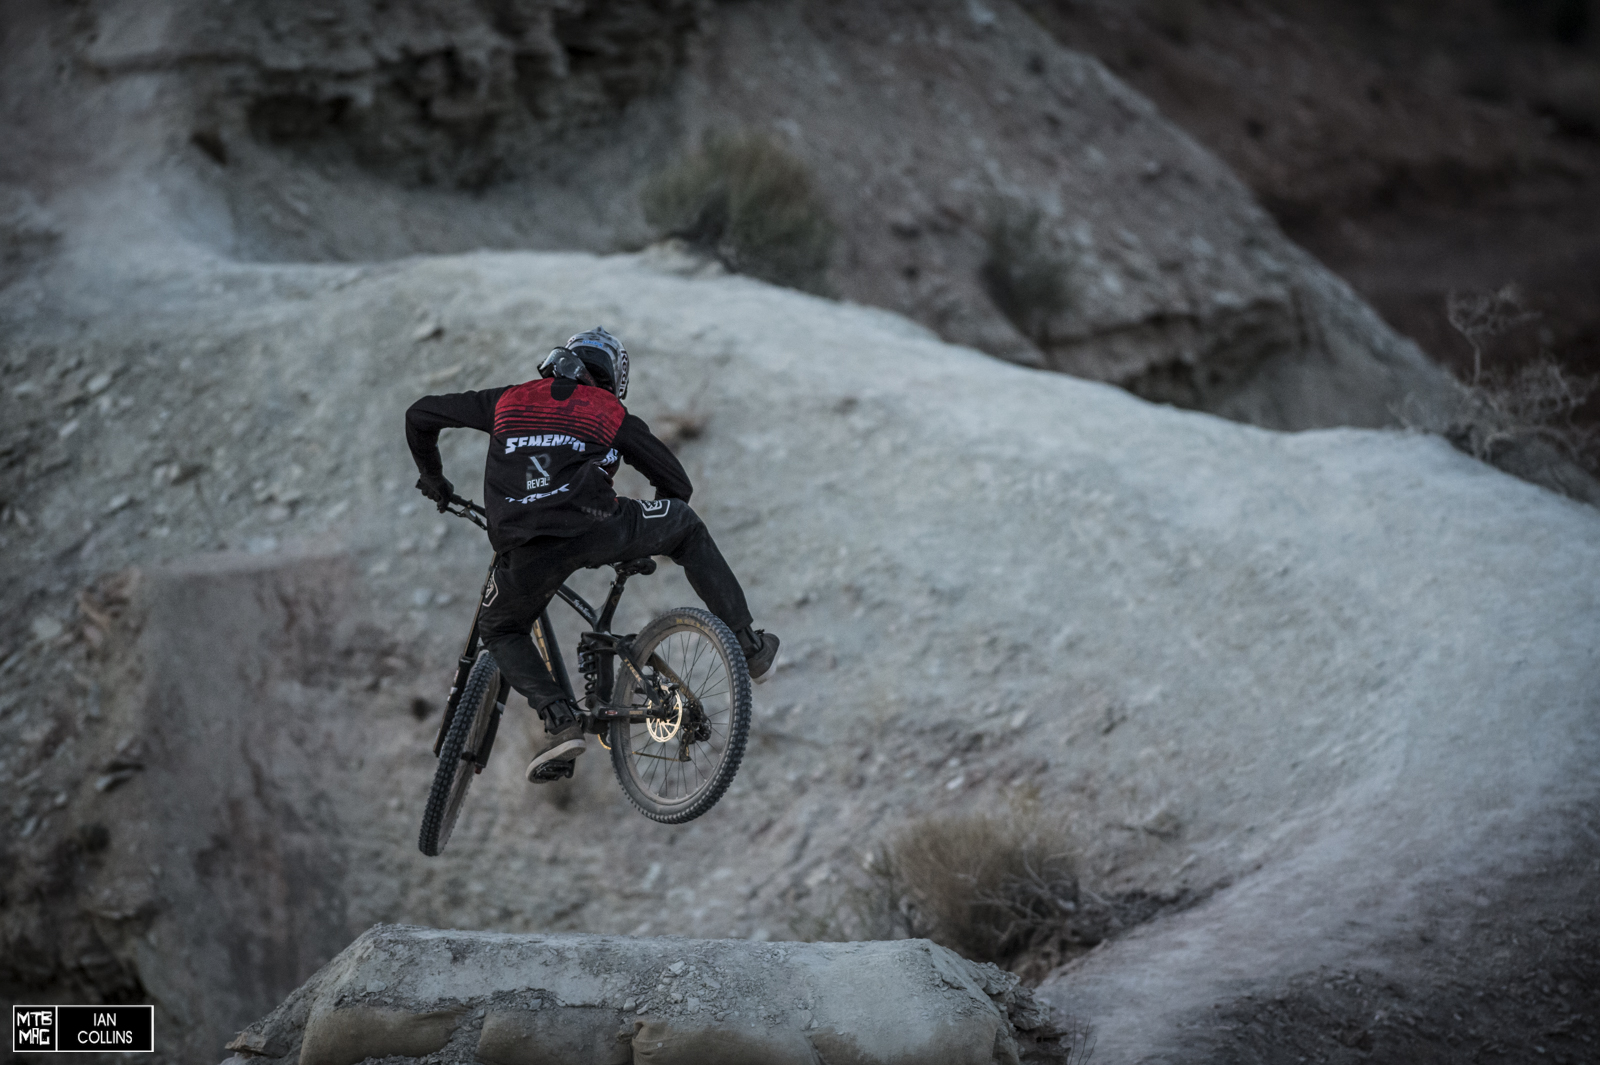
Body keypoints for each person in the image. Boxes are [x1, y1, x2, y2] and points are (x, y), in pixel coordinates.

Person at [404, 328, 778, 782]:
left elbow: (420, 414)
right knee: (685, 525)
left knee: (500, 627)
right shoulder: (607, 410)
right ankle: (747, 644)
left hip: (524, 547)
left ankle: (561, 721)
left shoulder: (508, 400)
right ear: (613, 380)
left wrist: (436, 479)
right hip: (597, 526)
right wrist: (643, 541)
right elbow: (677, 486)